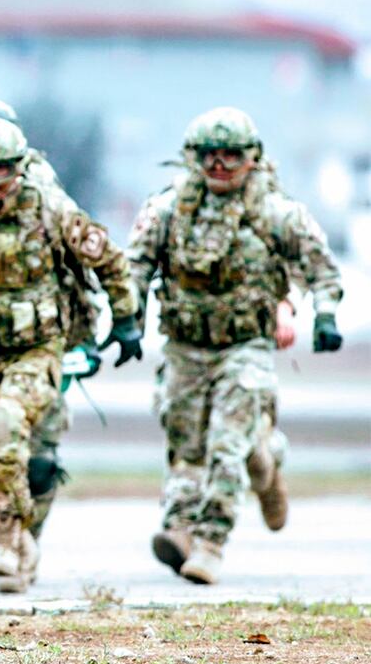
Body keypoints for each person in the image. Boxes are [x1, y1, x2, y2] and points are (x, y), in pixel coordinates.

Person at [128, 106, 343, 585]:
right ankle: (181, 525)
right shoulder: (167, 210)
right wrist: (128, 317)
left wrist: (325, 314)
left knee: (227, 442)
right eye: (209, 156)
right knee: (187, 445)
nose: (219, 166)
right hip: (185, 347)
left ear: (253, 158)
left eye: (231, 156)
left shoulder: (276, 212)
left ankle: (210, 541)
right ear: (192, 158)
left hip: (245, 346)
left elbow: (321, 267)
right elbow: (136, 265)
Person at [0, 117, 140, 592]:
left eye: (1, 169)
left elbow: (109, 259)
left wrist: (126, 319)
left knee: (3, 434)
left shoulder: (49, 207)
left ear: (20, 167)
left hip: (36, 350)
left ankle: (8, 545)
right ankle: (18, 541)